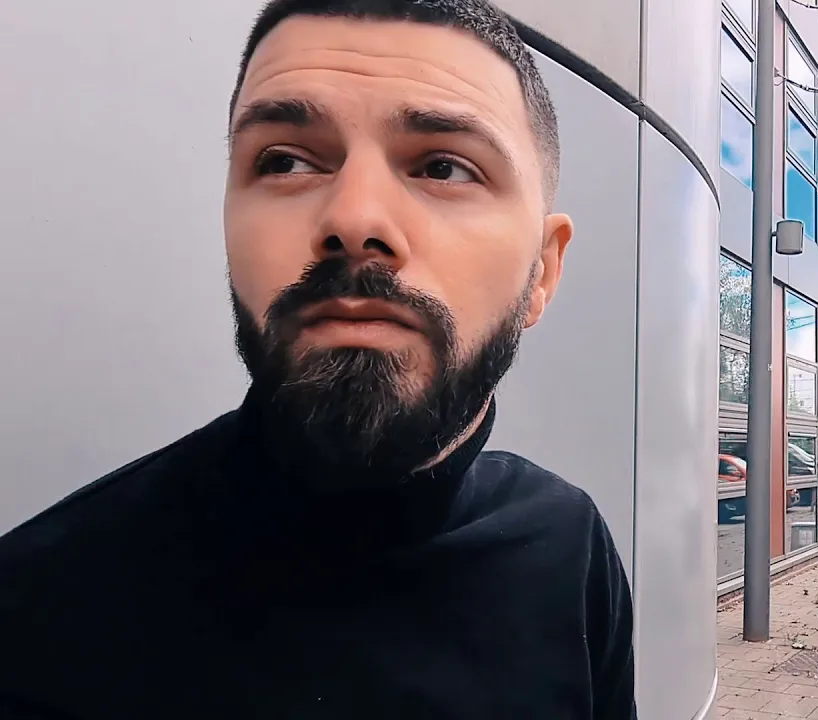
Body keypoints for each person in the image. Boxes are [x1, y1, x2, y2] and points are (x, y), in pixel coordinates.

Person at [0, 0, 636, 717]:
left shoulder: (570, 548)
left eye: (444, 167)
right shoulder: (34, 615)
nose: (354, 219)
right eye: (286, 161)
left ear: (542, 272)